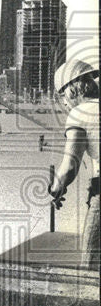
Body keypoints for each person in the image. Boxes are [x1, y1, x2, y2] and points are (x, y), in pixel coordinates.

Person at [48, 57, 100, 267]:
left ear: (72, 89)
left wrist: (56, 187)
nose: (63, 102)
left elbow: (70, 165)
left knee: (92, 265)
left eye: (62, 96)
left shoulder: (79, 114)